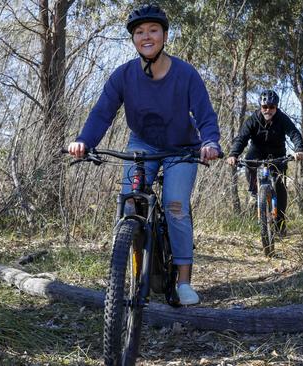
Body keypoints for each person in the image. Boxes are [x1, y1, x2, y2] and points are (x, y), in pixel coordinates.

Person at [67, 4, 221, 305]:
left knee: (175, 205)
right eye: (139, 32)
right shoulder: (123, 75)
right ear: (133, 39)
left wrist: (211, 142)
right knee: (131, 204)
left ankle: (184, 282)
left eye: (152, 30)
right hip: (143, 143)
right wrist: (84, 140)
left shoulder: (186, 74)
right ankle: (138, 274)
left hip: (181, 148)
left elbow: (205, 115)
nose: (146, 36)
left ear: (164, 34)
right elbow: (102, 113)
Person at [226, 89, 303, 233]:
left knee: (280, 187)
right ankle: (254, 192)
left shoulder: (282, 118)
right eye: (264, 107)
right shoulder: (253, 120)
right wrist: (233, 154)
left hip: (277, 153)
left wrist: (299, 149)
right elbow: (242, 138)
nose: (268, 110)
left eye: (271, 107)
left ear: (276, 107)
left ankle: (280, 225)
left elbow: (294, 133)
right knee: (248, 162)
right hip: (257, 152)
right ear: (260, 107)